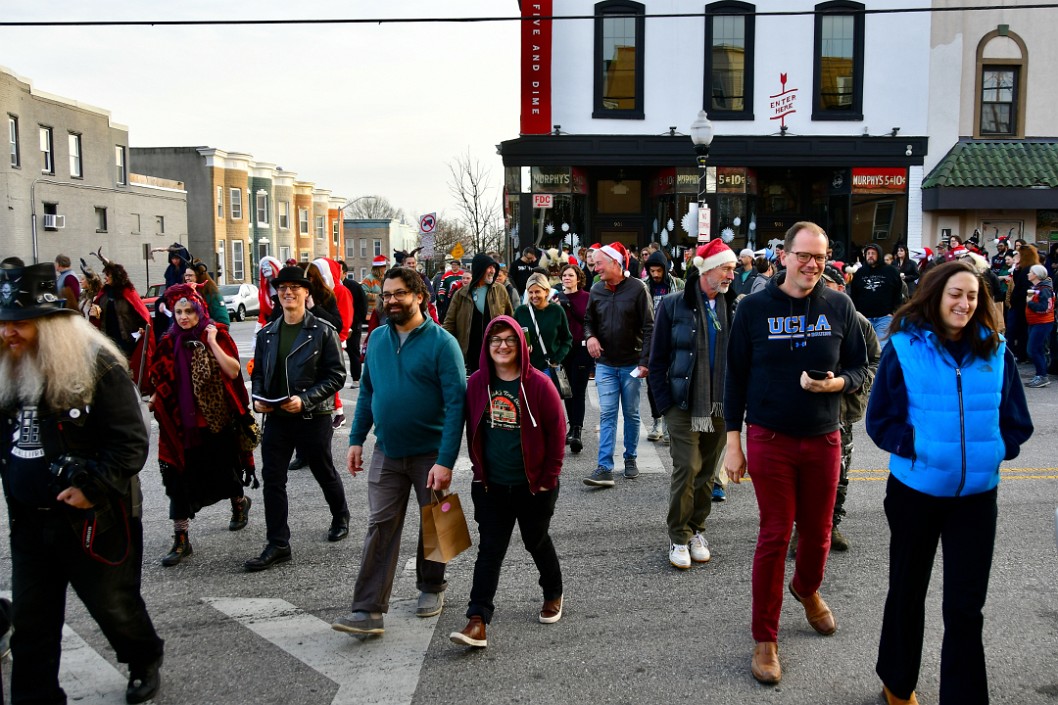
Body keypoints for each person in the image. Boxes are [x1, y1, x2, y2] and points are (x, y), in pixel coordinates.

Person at [865, 260, 1032, 705]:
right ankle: (897, 682)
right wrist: (917, 445)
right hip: (914, 493)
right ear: (935, 295)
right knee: (907, 591)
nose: (964, 303)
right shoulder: (904, 347)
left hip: (976, 499)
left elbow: (1017, 421)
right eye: (955, 294)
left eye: (972, 296)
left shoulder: (996, 351)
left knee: (964, 608)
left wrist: (995, 450)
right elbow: (879, 420)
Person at [0, 263, 165, 704]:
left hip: (94, 517)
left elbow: (131, 444)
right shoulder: (8, 367)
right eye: (3, 324)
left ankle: (143, 658)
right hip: (30, 521)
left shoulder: (97, 365)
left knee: (114, 606)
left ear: (49, 325)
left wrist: (92, 487)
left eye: (18, 324)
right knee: (32, 621)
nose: (8, 334)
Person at [723, 221, 869, 685]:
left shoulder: (840, 305)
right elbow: (736, 376)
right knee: (774, 534)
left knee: (820, 531)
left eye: (820, 257)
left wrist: (838, 384)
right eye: (804, 255)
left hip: (824, 436)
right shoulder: (754, 307)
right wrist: (733, 442)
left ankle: (806, 589)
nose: (812, 264)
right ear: (783, 257)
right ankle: (765, 637)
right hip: (770, 437)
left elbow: (863, 364)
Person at [333, 267, 466, 636]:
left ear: (419, 296)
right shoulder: (376, 339)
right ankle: (367, 610)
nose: (390, 300)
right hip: (387, 452)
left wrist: (445, 460)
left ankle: (433, 585)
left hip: (430, 452)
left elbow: (456, 405)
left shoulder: (442, 343)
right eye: (386, 294)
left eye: (399, 294)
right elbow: (369, 394)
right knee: (380, 525)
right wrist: (357, 439)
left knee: (439, 521)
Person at [449, 316, 566, 648]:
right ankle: (477, 618)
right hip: (491, 486)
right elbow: (460, 426)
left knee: (536, 541)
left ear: (521, 344)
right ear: (487, 346)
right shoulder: (476, 385)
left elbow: (557, 435)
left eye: (509, 340)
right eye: (495, 340)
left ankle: (553, 591)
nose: (502, 346)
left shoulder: (540, 385)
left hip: (534, 486)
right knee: (490, 551)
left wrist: (548, 479)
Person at [246, 266, 349, 571]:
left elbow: (336, 376)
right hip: (277, 417)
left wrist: (304, 399)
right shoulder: (267, 334)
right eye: (282, 288)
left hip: (312, 415)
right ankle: (278, 543)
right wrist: (259, 398)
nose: (288, 293)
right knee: (273, 479)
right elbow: (260, 374)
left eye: (294, 288)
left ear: (306, 293)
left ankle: (340, 514)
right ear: (277, 295)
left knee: (322, 469)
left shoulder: (322, 331)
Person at [147, 284, 256, 566]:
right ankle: (181, 539)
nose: (183, 317)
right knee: (177, 480)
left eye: (189, 311)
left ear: (199, 310)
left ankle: (239, 502)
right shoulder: (169, 342)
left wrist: (212, 342)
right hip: (180, 426)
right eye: (178, 311)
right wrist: (158, 396)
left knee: (226, 473)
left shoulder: (215, 333)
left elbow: (233, 372)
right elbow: (160, 378)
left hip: (215, 422)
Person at [648, 240, 736, 570]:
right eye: (726, 268)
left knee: (707, 473)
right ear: (707, 269)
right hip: (683, 403)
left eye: (732, 269)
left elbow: (743, 360)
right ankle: (678, 536)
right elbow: (657, 360)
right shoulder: (673, 305)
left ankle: (697, 529)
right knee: (687, 468)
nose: (731, 274)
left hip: (720, 404)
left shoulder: (735, 305)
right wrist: (665, 404)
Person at [818, 266, 881, 552]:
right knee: (806, 475)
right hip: (809, 412)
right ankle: (802, 529)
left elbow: (874, 361)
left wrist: (856, 382)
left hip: (842, 412)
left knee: (838, 474)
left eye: (828, 284)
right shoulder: (809, 319)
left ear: (841, 288)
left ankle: (832, 526)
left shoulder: (859, 322)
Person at [582, 241, 654, 487]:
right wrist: (590, 336)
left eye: (599, 263)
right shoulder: (596, 290)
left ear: (615, 263)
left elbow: (649, 327)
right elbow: (588, 320)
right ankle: (604, 467)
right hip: (605, 364)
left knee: (632, 413)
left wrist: (645, 361)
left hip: (631, 364)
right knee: (608, 413)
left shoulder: (638, 288)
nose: (595, 268)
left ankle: (631, 458)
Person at [442, 253, 514, 374]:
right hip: (470, 353)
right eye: (489, 267)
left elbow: (510, 319)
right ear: (480, 269)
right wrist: (447, 349)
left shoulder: (500, 290)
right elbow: (449, 324)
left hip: (495, 349)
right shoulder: (461, 294)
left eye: (494, 268)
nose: (492, 271)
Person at [90, 261, 154, 393]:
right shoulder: (104, 294)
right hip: (108, 337)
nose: (105, 278)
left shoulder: (128, 292)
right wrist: (95, 312)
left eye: (108, 275)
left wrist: (142, 328)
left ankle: (128, 393)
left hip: (127, 338)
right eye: (105, 275)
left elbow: (142, 313)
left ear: (116, 276)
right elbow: (97, 314)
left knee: (126, 367)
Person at [642, 250, 684, 443]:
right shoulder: (644, 287)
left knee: (673, 381)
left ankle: (668, 424)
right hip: (651, 339)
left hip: (673, 339)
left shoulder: (678, 285)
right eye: (652, 271)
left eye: (659, 270)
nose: (656, 274)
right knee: (653, 383)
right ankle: (657, 420)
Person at [555, 263, 593, 454]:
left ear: (578, 278)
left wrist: (568, 305)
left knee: (578, 389)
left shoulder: (586, 297)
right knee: (566, 390)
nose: (567, 278)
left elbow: (587, 319)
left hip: (581, 348)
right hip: (563, 349)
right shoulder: (555, 297)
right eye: (564, 276)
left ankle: (577, 430)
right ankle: (572, 428)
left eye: (570, 275)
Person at [514, 272, 572, 379]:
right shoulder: (521, 312)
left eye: (537, 292)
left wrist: (556, 359)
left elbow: (567, 339)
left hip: (549, 367)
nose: (534, 296)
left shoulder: (556, 311)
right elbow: (512, 337)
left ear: (546, 291)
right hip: (526, 367)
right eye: (530, 292)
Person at [849, 243, 903, 346]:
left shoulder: (891, 271)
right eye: (868, 253)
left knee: (881, 347)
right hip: (864, 318)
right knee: (863, 348)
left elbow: (898, 292)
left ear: (879, 255)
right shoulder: (860, 273)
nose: (870, 255)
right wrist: (855, 313)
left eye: (873, 253)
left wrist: (894, 311)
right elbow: (854, 294)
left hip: (884, 318)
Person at [1006, 244, 1039, 362]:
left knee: (1019, 331)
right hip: (1019, 304)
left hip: (1021, 305)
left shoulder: (1029, 269)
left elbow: (1025, 288)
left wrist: (1015, 299)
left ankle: (1020, 354)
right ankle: (1020, 353)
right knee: (1019, 330)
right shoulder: (1024, 268)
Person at [339, 259, 368, 389]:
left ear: (344, 273)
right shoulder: (329, 286)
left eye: (338, 270)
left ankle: (356, 378)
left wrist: (356, 321)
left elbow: (363, 305)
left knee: (353, 351)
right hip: (337, 324)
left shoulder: (354, 286)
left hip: (352, 325)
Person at [1024, 263, 1054, 388]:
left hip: (1042, 323)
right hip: (1035, 322)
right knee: (1037, 349)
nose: (1028, 274)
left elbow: (1045, 308)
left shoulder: (1045, 289)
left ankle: (1042, 375)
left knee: (1033, 349)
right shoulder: (1037, 288)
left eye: (1030, 272)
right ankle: (1040, 375)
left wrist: (1030, 303)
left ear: (1036, 275)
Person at [191, 261, 230, 325]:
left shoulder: (212, 295)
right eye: (186, 275)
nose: (187, 278)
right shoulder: (186, 294)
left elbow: (223, 321)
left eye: (190, 275)